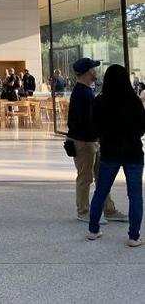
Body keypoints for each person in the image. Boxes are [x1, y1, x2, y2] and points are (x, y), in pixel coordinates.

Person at [87, 64, 145, 245]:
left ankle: (93, 230)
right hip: (133, 152)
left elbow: (94, 127)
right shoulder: (135, 102)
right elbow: (143, 128)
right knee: (135, 195)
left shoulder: (100, 101)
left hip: (109, 152)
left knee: (101, 191)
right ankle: (133, 236)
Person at [67, 57, 127, 224]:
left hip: (93, 141)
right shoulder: (81, 93)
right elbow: (81, 122)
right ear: (87, 72)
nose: (96, 71)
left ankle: (108, 209)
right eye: (93, 68)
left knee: (102, 177)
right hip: (84, 143)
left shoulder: (86, 91)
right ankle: (83, 212)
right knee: (85, 178)